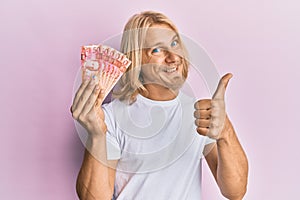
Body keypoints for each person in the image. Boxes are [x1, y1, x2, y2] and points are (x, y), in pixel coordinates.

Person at [71, 11, 248, 200]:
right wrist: (97, 136)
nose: (173, 57)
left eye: (174, 43)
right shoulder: (111, 118)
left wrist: (225, 132)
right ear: (137, 60)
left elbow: (235, 191)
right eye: (156, 50)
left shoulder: (199, 115)